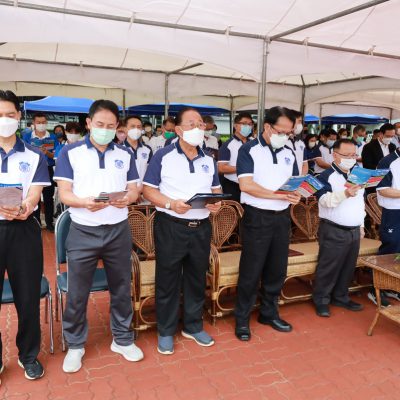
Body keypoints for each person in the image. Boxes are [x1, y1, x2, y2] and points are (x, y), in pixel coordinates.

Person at [54, 99, 143, 373]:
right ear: (89, 123)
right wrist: (84, 202)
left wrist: (128, 198)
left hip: (118, 229)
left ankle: (122, 339)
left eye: (111, 125)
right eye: (100, 124)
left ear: (118, 127)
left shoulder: (125, 153)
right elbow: (64, 193)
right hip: (83, 229)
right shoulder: (70, 152)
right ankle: (76, 344)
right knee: (77, 292)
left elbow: (134, 189)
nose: (105, 130)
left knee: (121, 287)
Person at [143, 107, 221, 355]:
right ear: (178, 130)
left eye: (201, 124)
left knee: (197, 278)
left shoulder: (209, 158)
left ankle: (193, 325)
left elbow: (216, 189)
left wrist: (216, 203)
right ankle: (166, 330)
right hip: (171, 225)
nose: (198, 128)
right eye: (191, 124)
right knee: (168, 279)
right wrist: (170, 204)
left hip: (201, 227)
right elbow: (148, 190)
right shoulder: (163, 156)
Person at [234, 106, 301, 341]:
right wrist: (278, 195)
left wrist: (296, 194)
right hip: (257, 217)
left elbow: (293, 183)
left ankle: (269, 313)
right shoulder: (249, 150)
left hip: (282, 217)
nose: (285, 136)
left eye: (289, 132)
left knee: (277, 268)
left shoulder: (288, 152)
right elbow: (246, 185)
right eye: (281, 131)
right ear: (267, 127)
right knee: (251, 270)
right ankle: (242, 319)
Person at [0, 90, 50, 380]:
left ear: (19, 116)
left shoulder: (34, 155)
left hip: (23, 230)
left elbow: (35, 192)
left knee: (28, 296)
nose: (4, 120)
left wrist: (27, 206)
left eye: (9, 114)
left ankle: (28, 355)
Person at [312, 139, 365, 317]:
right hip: (333, 229)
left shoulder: (358, 174)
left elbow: (360, 202)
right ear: (335, 155)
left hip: (354, 229)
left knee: (348, 266)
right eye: (347, 155)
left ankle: (341, 296)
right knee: (328, 267)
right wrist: (345, 194)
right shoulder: (325, 176)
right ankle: (321, 300)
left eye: (354, 155)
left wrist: (361, 225)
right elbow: (324, 201)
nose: (351, 159)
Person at [371, 148, 400, 304]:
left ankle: (394, 287)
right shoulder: (386, 161)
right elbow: (383, 190)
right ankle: (377, 289)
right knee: (390, 247)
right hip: (393, 211)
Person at [22, 112, 58, 231]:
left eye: (43, 122)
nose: (41, 124)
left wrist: (47, 153)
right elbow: (23, 153)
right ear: (34, 123)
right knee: (33, 196)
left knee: (48, 198)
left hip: (48, 169)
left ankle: (49, 223)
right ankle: (36, 222)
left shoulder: (53, 137)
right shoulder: (27, 137)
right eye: (38, 122)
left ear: (46, 123)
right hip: (32, 170)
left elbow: (55, 156)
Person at [218, 112, 253, 202]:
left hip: (252, 186)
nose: (248, 126)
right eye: (244, 124)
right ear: (235, 126)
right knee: (235, 209)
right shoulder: (228, 145)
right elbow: (221, 168)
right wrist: (243, 168)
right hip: (233, 186)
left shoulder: (254, 143)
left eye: (250, 124)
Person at [123, 115, 152, 203]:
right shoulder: (119, 150)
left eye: (139, 127)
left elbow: (151, 172)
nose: (136, 129)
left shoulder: (147, 149)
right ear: (125, 129)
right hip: (124, 196)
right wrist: (132, 192)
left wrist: (140, 189)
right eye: (132, 126)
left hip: (144, 195)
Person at [286, 110, 308, 176]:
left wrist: (300, 179)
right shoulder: (280, 142)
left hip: (298, 180)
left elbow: (305, 164)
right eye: (299, 121)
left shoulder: (301, 143)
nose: (300, 125)